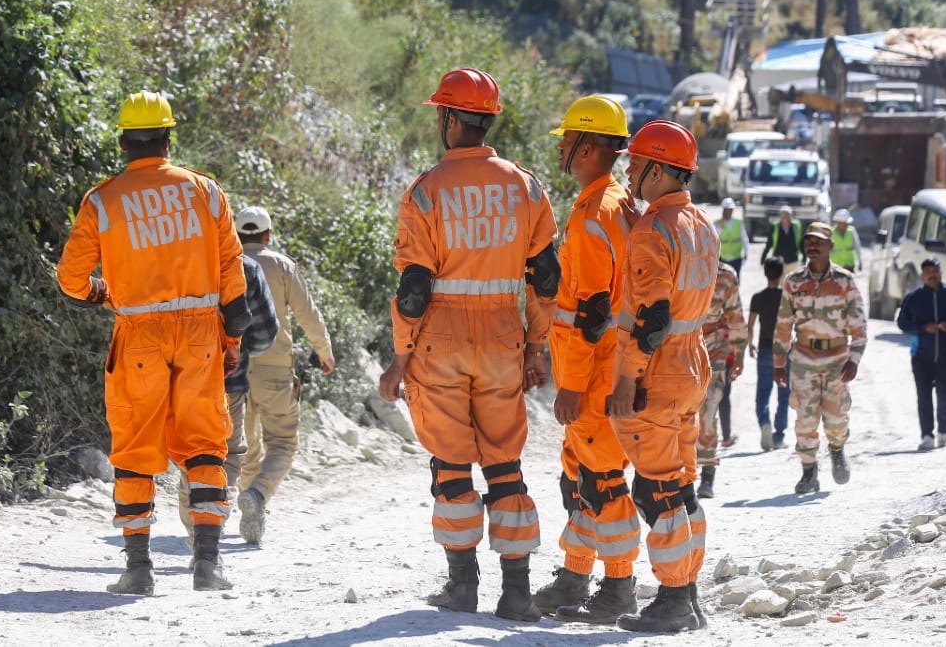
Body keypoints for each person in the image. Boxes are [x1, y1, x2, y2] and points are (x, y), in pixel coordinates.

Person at [377, 67, 558, 623]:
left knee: (452, 464)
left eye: (441, 113)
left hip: (441, 342)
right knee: (504, 464)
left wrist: (400, 359)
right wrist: (535, 348)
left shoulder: (427, 191)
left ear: (452, 120)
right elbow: (546, 278)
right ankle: (518, 591)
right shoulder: (526, 187)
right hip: (504, 339)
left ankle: (462, 586)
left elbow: (413, 291)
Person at [56, 91, 249, 593]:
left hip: (138, 336)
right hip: (201, 335)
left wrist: (102, 293)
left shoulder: (103, 200)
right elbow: (232, 276)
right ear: (167, 139)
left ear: (124, 142)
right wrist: (230, 340)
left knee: (134, 448)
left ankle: (139, 569)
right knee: (205, 445)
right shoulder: (205, 192)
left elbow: (71, 280)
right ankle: (208, 565)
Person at [606, 120, 719, 633]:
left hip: (658, 368)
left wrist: (628, 379)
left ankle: (673, 599)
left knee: (656, 490)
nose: (628, 173)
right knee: (681, 485)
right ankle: (688, 594)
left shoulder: (654, 229)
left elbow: (651, 318)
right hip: (692, 362)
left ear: (657, 169)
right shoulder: (700, 222)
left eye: (635, 164)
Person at [533, 95, 642, 624]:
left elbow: (591, 311)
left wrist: (572, 384)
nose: (561, 148)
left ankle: (619, 585)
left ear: (589, 146)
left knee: (602, 481)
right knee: (582, 479)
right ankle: (575, 576)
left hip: (595, 373)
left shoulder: (596, 212)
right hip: (603, 368)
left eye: (567, 140)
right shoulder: (614, 203)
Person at [234, 205, 335, 546]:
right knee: (283, 443)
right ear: (268, 235)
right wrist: (324, 350)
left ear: (236, 235)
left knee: (245, 447)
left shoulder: (223, 263)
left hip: (230, 369)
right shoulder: (281, 265)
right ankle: (258, 495)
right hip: (274, 368)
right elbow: (308, 313)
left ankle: (249, 505)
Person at [177, 253, 278, 541]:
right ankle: (209, 529)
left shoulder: (177, 256)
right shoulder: (246, 268)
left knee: (191, 454)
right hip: (229, 380)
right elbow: (265, 331)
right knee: (229, 456)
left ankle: (194, 525)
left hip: (184, 377)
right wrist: (242, 350)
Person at [773, 222, 867, 495]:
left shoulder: (845, 281)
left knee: (836, 418)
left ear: (831, 246)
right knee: (805, 418)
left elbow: (859, 323)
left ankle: (837, 449)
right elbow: (783, 323)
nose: (812, 246)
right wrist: (779, 362)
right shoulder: (793, 282)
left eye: (819, 242)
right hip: (803, 358)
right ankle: (809, 472)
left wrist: (854, 359)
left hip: (837, 359)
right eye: (809, 241)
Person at [896, 258, 946, 450]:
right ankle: (927, 435)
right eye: (928, 272)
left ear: (941, 272)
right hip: (921, 356)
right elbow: (902, 323)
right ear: (922, 275)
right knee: (924, 397)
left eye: (935, 271)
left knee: (945, 395)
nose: (932, 275)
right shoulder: (914, 298)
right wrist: (923, 328)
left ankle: (943, 432)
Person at [695, 260, 746, 498]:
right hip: (678, 354)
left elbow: (735, 316)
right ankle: (680, 476)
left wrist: (739, 353)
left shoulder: (725, 276)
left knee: (707, 411)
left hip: (713, 353)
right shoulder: (675, 263)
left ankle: (707, 473)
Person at [713, 197, 749, 448]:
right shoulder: (725, 278)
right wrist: (739, 354)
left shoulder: (686, 273)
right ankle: (723, 437)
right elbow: (736, 319)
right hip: (720, 350)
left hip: (702, 350)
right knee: (723, 394)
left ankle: (712, 440)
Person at [748, 256, 792, 451]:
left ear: (765, 273)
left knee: (763, 393)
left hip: (765, 350)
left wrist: (750, 344)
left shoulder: (757, 298)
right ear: (782, 274)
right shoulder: (786, 297)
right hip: (784, 350)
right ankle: (779, 436)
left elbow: (750, 325)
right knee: (784, 394)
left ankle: (764, 422)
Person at [715, 197, 749, 277]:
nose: (729, 212)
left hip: (736, 257)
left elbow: (745, 239)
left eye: (730, 210)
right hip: (723, 258)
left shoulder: (738, 223)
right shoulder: (717, 224)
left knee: (735, 279)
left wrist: (746, 253)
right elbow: (715, 240)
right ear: (723, 210)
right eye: (727, 209)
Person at [830, 208, 862, 273]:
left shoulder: (851, 231)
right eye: (843, 223)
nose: (846, 224)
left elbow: (857, 246)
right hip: (835, 266)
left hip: (849, 265)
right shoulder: (831, 232)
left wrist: (860, 261)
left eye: (846, 223)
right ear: (838, 222)